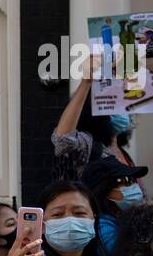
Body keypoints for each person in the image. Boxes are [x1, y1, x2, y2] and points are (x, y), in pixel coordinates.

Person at [52, 55, 141, 183]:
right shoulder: (89, 147)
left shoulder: (124, 154)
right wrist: (86, 82)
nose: (122, 110)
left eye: (124, 102)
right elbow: (62, 140)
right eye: (114, 102)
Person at [80, 154, 150, 256]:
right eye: (123, 181)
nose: (133, 186)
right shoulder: (100, 226)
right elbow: (123, 255)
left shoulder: (123, 215)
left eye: (132, 180)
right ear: (103, 190)